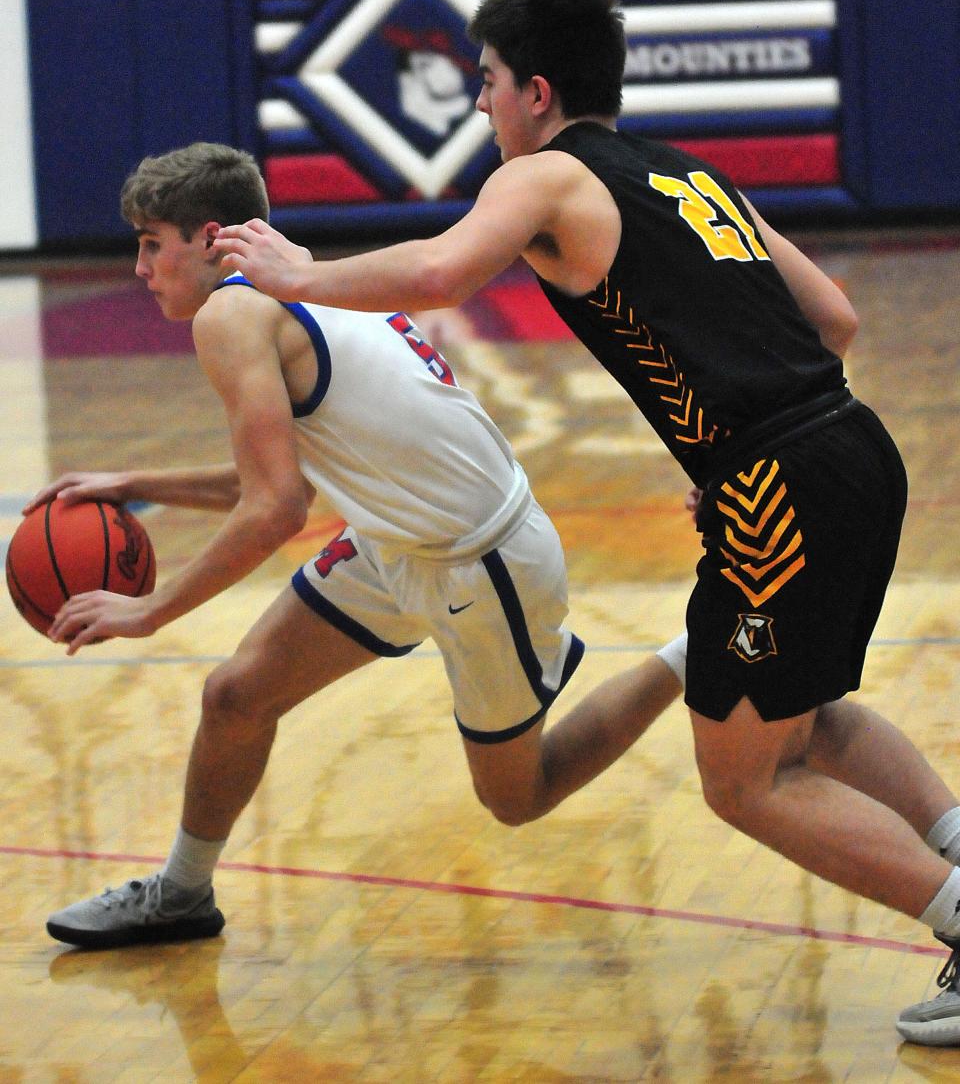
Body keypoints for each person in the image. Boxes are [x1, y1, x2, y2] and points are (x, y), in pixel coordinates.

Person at [212, 0, 960, 1044]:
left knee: (745, 781)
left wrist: (299, 271)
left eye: (486, 83)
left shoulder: (549, 174)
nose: (479, 106)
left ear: (537, 92)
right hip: (849, 450)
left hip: (780, 491)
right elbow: (833, 319)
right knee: (798, 717)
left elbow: (436, 270)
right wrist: (736, 442)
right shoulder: (688, 172)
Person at [40, 141, 693, 950]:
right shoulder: (302, 278)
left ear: (210, 239)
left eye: (151, 243)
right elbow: (295, 477)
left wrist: (151, 609)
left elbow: (275, 509)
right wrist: (139, 483)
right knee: (236, 695)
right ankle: (180, 894)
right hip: (394, 537)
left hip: (482, 561)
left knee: (519, 796)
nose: (140, 267)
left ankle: (697, 651)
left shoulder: (231, 313)